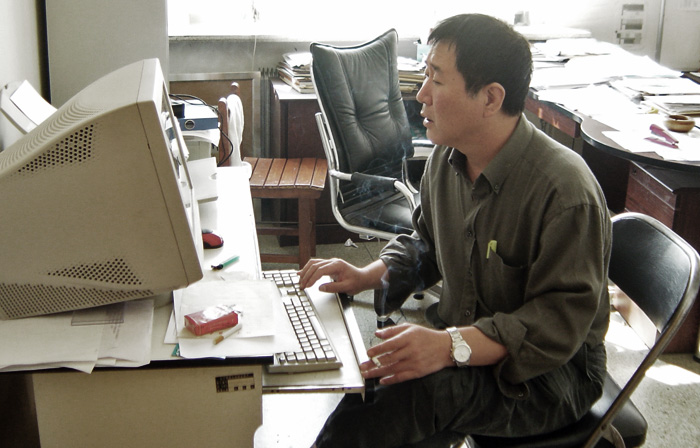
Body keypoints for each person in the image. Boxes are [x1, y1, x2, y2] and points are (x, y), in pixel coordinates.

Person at [299, 13, 611, 448]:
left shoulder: (564, 192)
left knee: (407, 396)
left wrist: (449, 347)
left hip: (550, 374)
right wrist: (365, 276)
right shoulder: (446, 162)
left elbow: (556, 325)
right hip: (468, 336)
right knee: (381, 385)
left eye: (437, 79)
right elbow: (426, 244)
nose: (420, 94)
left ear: (490, 98)